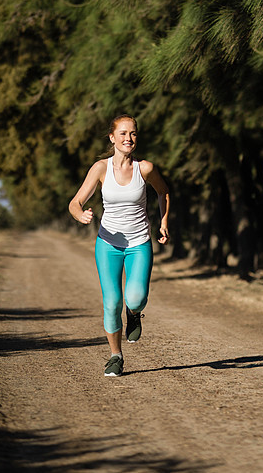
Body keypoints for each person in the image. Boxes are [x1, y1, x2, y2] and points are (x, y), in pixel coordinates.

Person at [69, 114, 170, 377]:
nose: (129, 138)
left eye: (133, 133)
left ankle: (134, 312)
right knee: (111, 302)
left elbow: (163, 192)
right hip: (108, 244)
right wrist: (80, 215)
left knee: (135, 298)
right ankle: (115, 356)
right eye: (123, 133)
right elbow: (75, 202)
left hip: (139, 243)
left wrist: (164, 221)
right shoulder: (100, 169)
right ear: (112, 137)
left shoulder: (144, 168)